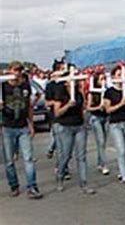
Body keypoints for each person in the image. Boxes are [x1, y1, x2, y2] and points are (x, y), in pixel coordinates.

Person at [1, 61, 43, 199]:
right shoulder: (3, 86)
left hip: (22, 126)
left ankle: (32, 186)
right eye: (15, 70)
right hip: (8, 126)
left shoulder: (25, 86)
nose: (17, 73)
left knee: (28, 158)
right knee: (9, 160)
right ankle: (14, 185)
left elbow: (29, 106)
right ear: (10, 71)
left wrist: (31, 124)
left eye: (20, 70)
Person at [53, 71, 95, 194]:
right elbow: (57, 112)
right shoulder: (60, 94)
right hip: (65, 126)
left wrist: (85, 121)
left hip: (79, 126)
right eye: (71, 80)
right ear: (66, 82)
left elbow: (82, 108)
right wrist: (67, 106)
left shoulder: (78, 93)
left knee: (81, 156)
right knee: (65, 155)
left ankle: (84, 183)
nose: (74, 82)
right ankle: (60, 176)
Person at [104, 66, 125, 187]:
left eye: (122, 75)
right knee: (121, 149)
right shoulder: (109, 92)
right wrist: (120, 104)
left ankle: (121, 169)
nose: (120, 77)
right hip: (115, 123)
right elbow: (108, 109)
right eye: (118, 75)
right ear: (113, 77)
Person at [86, 72, 110, 176]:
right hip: (95, 117)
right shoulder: (92, 92)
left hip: (105, 117)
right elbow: (88, 107)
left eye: (104, 78)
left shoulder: (106, 91)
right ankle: (104, 164)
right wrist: (98, 107)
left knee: (103, 141)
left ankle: (100, 162)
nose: (103, 81)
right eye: (101, 79)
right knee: (100, 140)